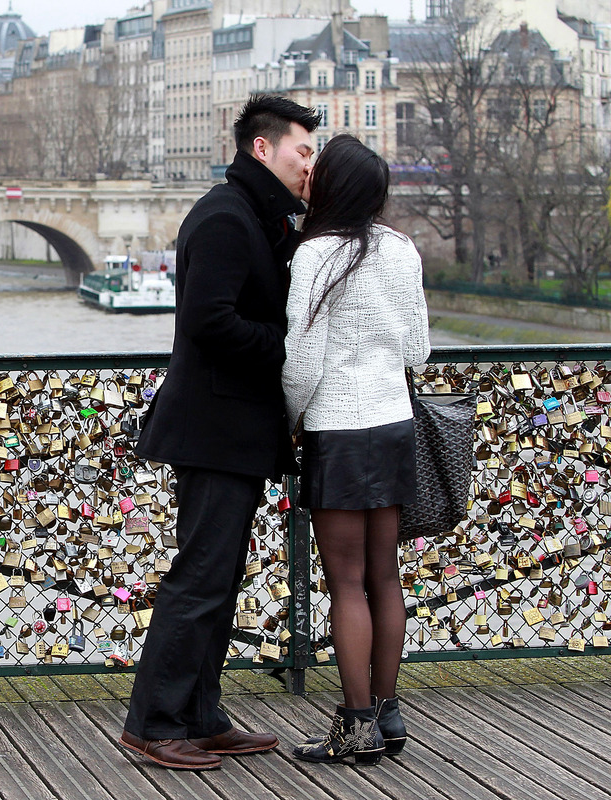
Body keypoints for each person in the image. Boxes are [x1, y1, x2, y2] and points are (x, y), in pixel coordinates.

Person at [119, 94, 319, 771]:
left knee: (218, 577)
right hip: (214, 427)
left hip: (232, 429)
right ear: (263, 149)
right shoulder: (227, 218)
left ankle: (200, 716)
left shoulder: (257, 217)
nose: (308, 164)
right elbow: (210, 321)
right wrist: (288, 344)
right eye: (302, 151)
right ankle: (154, 721)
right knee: (200, 577)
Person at [281, 134, 430, 766]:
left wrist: (293, 420)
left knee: (343, 582)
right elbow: (418, 349)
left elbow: (302, 362)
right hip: (393, 423)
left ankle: (355, 722)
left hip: (338, 431)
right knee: (384, 576)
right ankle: (389, 712)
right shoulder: (400, 249)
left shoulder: (314, 254)